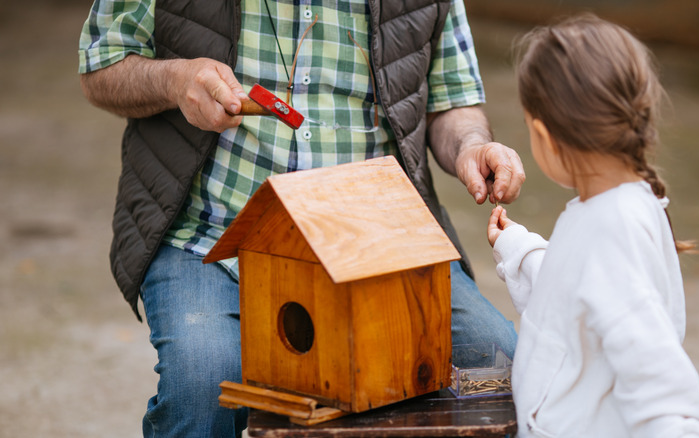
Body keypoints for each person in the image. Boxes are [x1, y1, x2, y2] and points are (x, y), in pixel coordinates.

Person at [78, 0, 524, 436]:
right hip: (212, 237)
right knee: (202, 384)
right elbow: (102, 64)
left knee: (503, 365)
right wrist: (174, 80)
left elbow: (454, 102)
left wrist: (471, 146)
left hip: (380, 243)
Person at [486, 14, 699, 438]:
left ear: (544, 135)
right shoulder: (620, 204)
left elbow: (661, 389)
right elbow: (576, 297)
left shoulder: (610, 228)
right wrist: (518, 247)